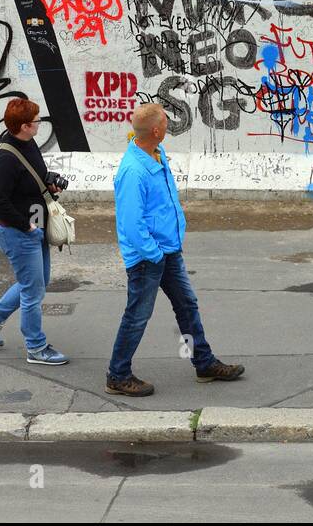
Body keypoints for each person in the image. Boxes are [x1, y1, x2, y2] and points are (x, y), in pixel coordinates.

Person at [105, 103, 244, 397]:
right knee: (137, 316)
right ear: (156, 130)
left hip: (168, 250)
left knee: (187, 305)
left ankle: (203, 363)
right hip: (149, 258)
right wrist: (154, 253)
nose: (169, 124)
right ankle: (117, 375)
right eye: (166, 122)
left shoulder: (157, 153)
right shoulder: (133, 171)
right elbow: (132, 223)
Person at [0, 97, 69, 365]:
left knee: (37, 283)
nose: (40, 123)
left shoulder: (28, 143)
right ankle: (36, 348)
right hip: (18, 233)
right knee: (32, 291)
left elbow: (31, 179)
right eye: (36, 120)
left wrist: (49, 187)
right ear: (25, 126)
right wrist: (25, 225)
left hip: (35, 226)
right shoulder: (5, 158)